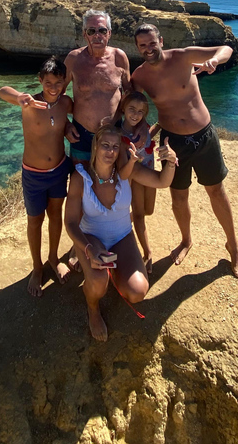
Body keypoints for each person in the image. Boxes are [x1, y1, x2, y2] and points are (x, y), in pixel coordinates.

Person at [131, 23, 238, 278]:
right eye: (143, 46)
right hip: (172, 143)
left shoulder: (183, 56)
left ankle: (233, 245)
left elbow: (225, 48)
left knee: (216, 191)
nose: (149, 49)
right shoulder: (139, 77)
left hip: (204, 136)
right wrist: (135, 134)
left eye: (152, 43)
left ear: (160, 40)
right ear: (138, 49)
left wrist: (214, 60)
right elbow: (133, 107)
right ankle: (186, 240)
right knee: (178, 197)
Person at [65, 123, 178, 341]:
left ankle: (113, 271)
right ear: (95, 146)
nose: (110, 151)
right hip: (91, 239)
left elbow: (162, 182)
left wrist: (170, 162)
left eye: (115, 147)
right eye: (105, 145)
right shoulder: (80, 178)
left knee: (137, 291)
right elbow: (70, 223)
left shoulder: (128, 173)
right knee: (98, 282)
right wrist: (88, 248)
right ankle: (93, 307)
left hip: (122, 238)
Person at [0, 56, 73, 297]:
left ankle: (53, 258)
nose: (53, 88)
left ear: (64, 83)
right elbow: (2, 91)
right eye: (48, 82)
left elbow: (74, 117)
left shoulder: (66, 103)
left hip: (60, 170)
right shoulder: (29, 103)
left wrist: (69, 126)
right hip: (34, 175)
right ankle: (37, 267)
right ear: (40, 81)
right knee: (34, 221)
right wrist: (19, 97)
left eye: (58, 83)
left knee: (55, 215)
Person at [64, 9, 131, 165]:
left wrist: (138, 126)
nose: (97, 35)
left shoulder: (119, 57)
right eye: (91, 31)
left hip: (113, 134)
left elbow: (131, 96)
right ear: (84, 34)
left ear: (109, 33)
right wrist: (65, 124)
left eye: (102, 30)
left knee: (114, 183)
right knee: (81, 182)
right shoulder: (74, 59)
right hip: (81, 134)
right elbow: (57, 96)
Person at [119, 91, 159, 273]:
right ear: (123, 108)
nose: (135, 115)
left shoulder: (144, 127)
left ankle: (128, 218)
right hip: (135, 177)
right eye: (131, 109)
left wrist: (159, 126)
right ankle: (147, 252)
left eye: (140, 111)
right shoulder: (119, 134)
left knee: (149, 210)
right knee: (140, 214)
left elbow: (150, 134)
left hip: (150, 172)